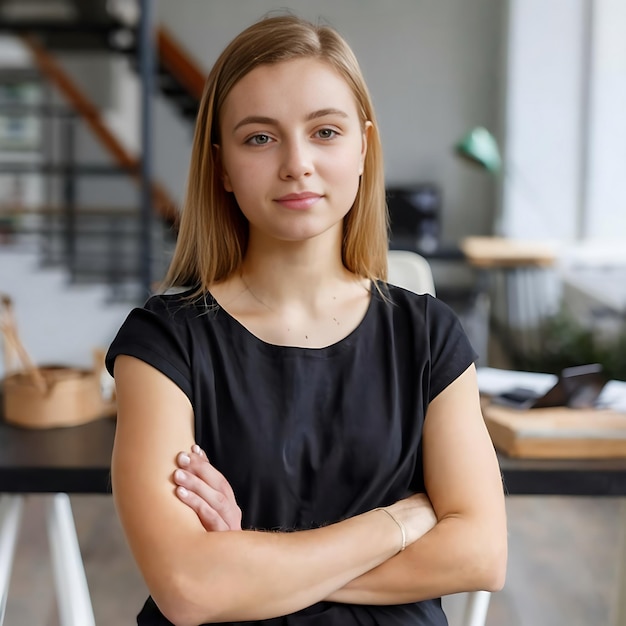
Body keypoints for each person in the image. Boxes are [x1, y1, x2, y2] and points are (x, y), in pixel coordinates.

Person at [106, 13, 507, 626]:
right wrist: (398, 521)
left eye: (324, 131)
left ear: (364, 147)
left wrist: (253, 566)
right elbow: (189, 588)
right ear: (221, 166)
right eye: (259, 138)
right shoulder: (163, 342)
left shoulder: (428, 336)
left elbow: (480, 554)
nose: (297, 163)